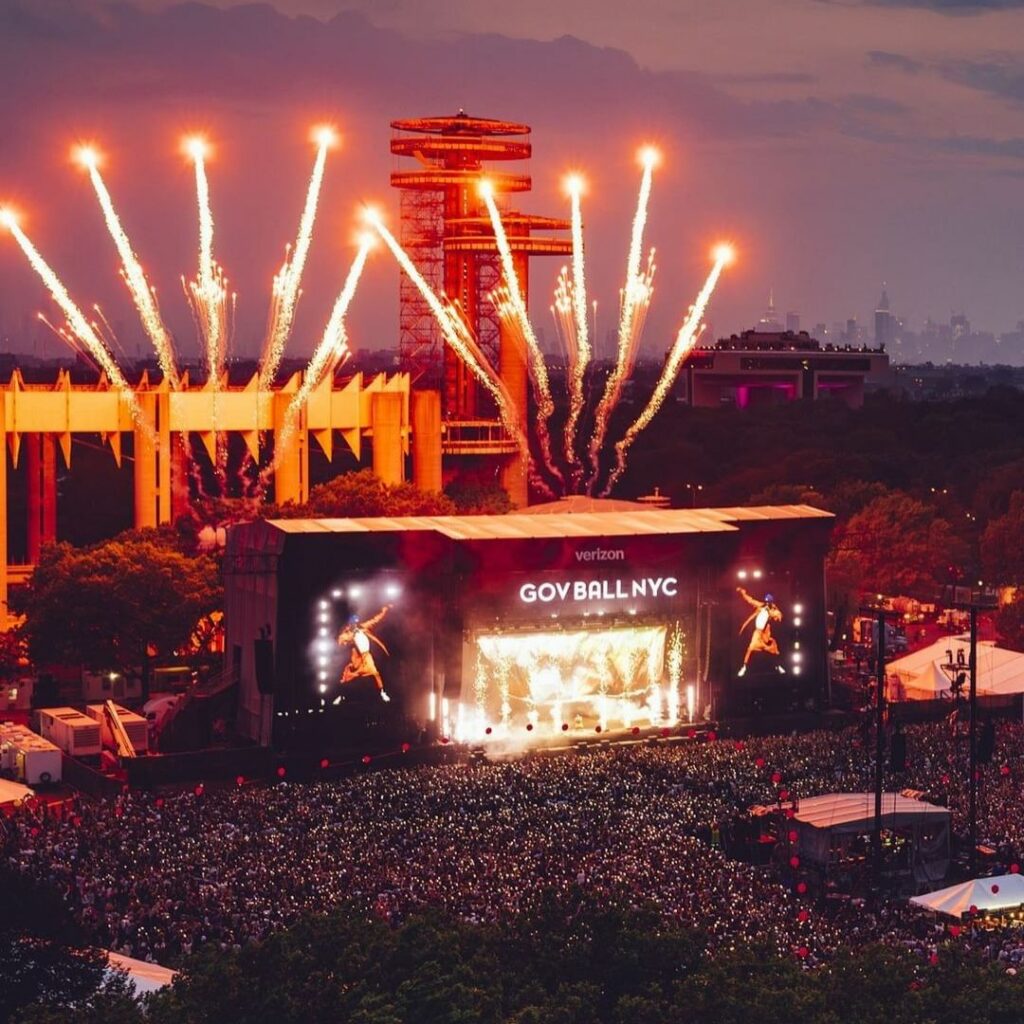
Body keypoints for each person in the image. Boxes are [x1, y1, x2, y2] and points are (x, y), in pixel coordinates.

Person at [336, 605, 392, 702]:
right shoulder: (348, 634)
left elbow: (375, 620)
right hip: (358, 659)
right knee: (348, 676)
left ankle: (382, 692)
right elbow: (341, 641)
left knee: (375, 673)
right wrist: (345, 639)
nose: (355, 625)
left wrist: (384, 611)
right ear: (350, 625)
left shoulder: (362, 627)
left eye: (356, 623)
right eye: (353, 623)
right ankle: (340, 696)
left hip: (366, 657)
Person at [736, 587, 784, 677]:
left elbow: (778, 616)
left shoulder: (773, 610)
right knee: (750, 649)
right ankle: (744, 667)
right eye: (766, 602)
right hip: (757, 633)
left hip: (765, 633)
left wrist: (775, 613)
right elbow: (750, 600)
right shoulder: (761, 606)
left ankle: (778, 666)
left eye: (768, 603)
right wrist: (743, 593)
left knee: (773, 649)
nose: (767, 604)